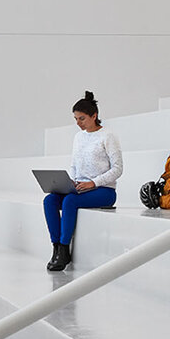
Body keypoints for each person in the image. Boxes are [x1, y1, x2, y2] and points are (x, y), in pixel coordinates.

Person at [43, 92, 122, 271]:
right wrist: (71, 181)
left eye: (82, 118)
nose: (78, 123)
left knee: (70, 201)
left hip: (103, 190)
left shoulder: (108, 136)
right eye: (76, 119)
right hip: (79, 187)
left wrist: (93, 183)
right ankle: (55, 248)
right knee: (50, 200)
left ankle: (64, 251)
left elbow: (118, 169)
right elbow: (74, 165)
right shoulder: (78, 137)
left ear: (94, 116)